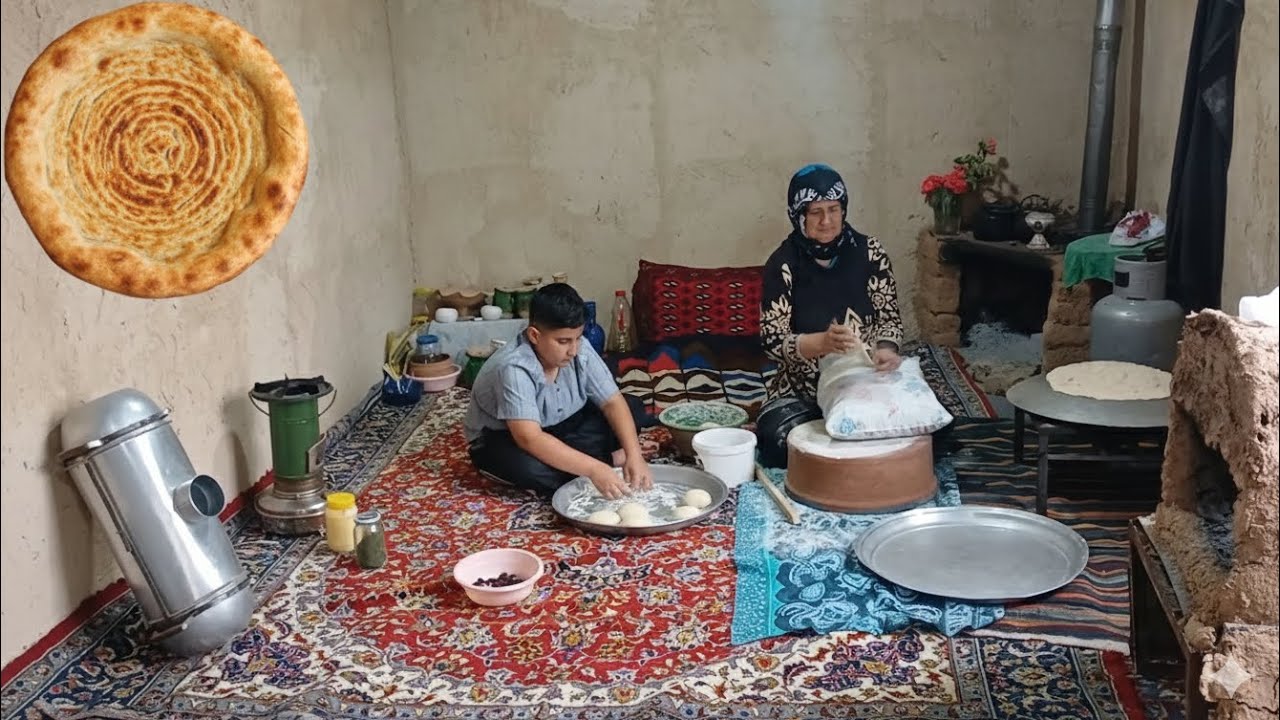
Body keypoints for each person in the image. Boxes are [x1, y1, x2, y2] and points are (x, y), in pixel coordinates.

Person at [756, 164, 906, 468]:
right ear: (798, 215)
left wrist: (887, 350)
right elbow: (772, 341)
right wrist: (821, 343)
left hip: (864, 385)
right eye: (815, 212)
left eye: (834, 209)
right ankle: (856, 446)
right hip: (804, 394)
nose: (827, 221)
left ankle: (841, 445)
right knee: (774, 439)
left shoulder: (869, 253)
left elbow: (889, 317)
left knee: (937, 429)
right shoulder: (783, 264)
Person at [464, 283, 654, 499]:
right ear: (535, 336)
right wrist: (596, 469)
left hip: (562, 424)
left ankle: (578, 462)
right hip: (506, 436)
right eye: (563, 341)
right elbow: (530, 438)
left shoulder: (577, 347)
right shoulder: (514, 367)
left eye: (578, 338)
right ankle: (599, 461)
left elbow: (612, 401)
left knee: (633, 409)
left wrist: (635, 455)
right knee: (531, 470)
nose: (573, 350)